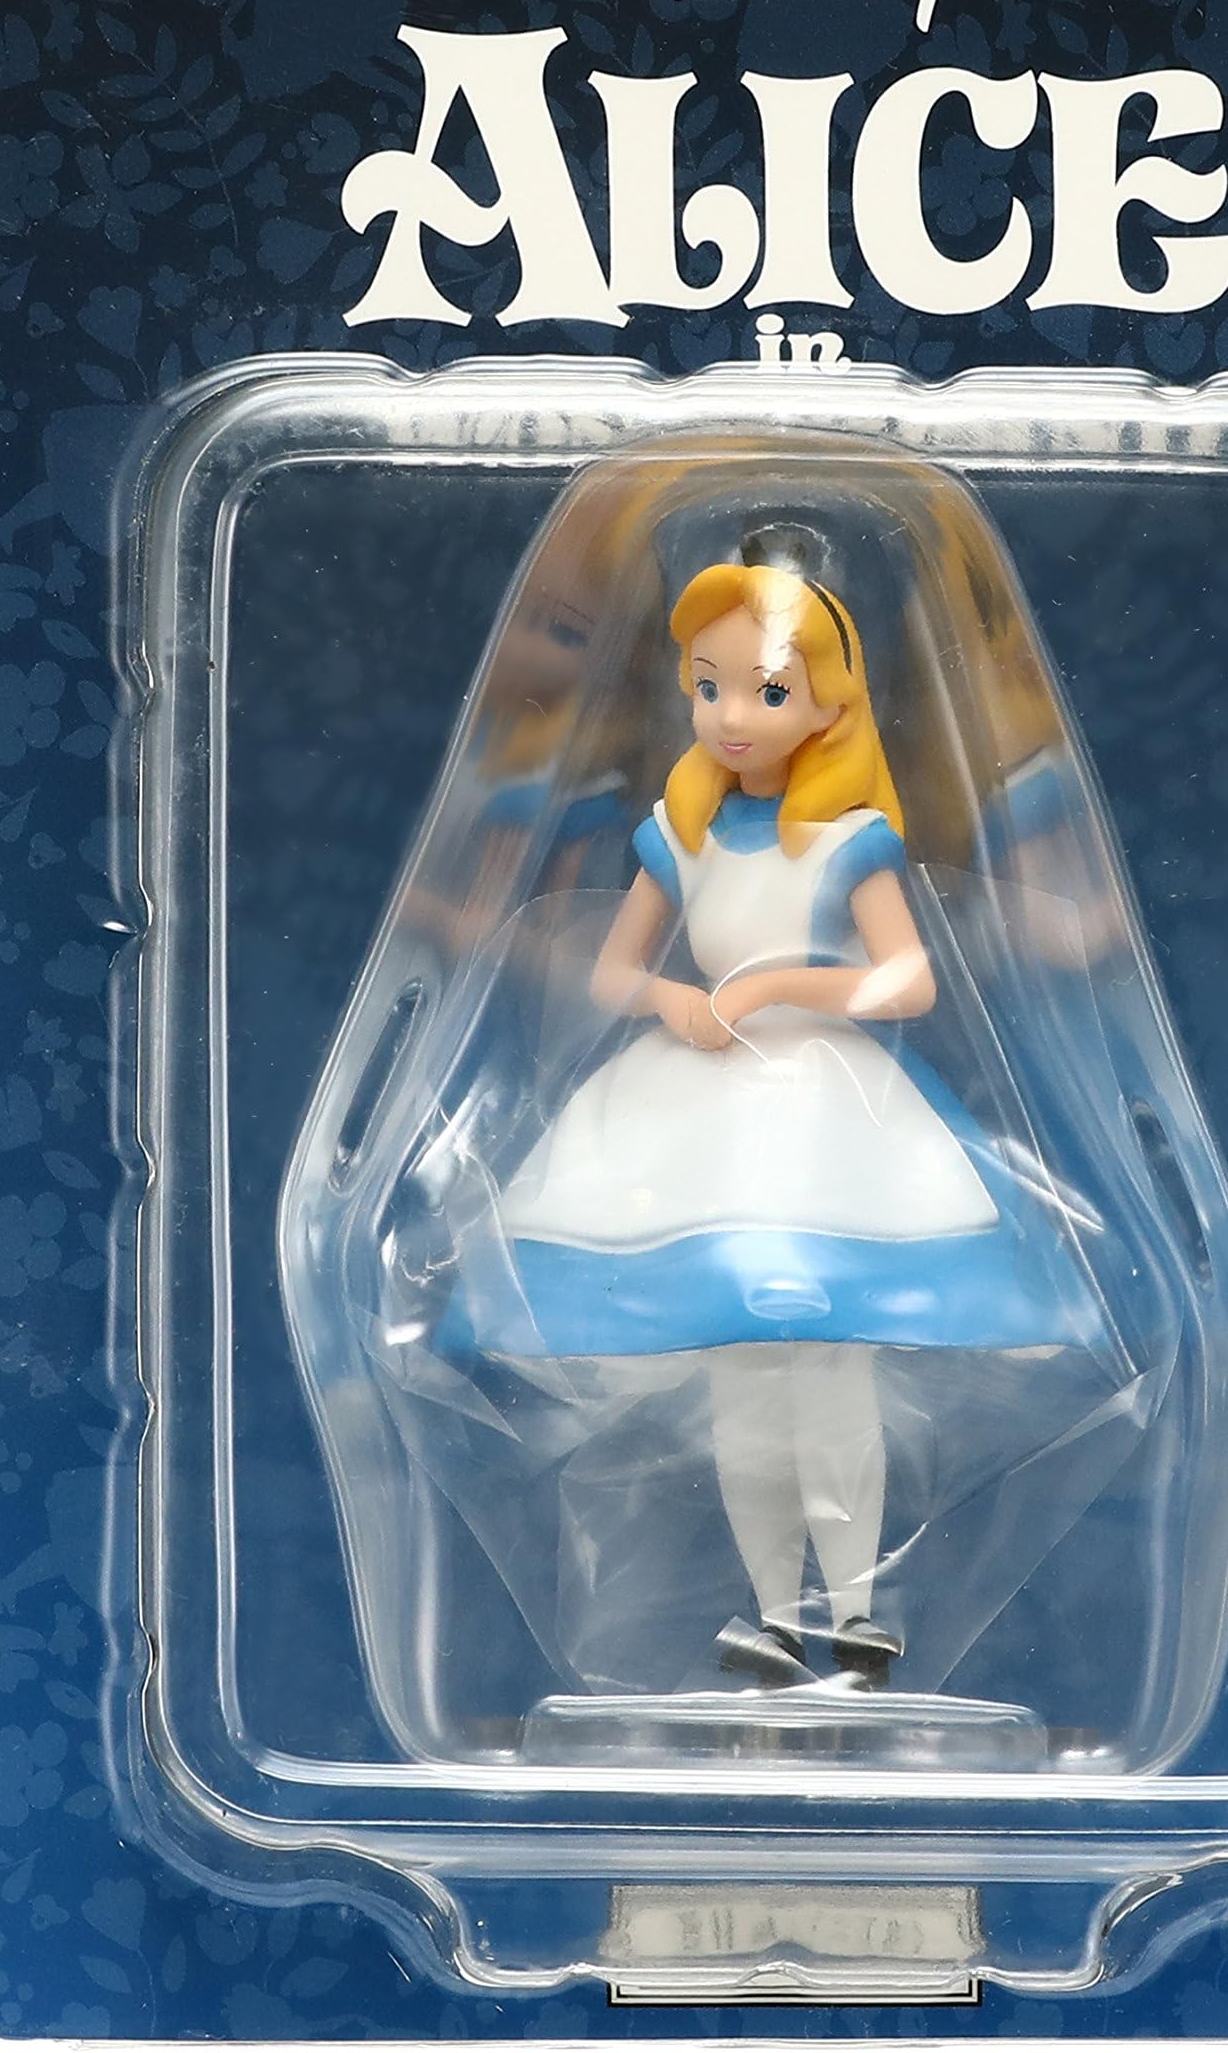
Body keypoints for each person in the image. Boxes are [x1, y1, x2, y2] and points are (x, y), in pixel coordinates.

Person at [446, 532, 1111, 1689]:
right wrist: (675, 1001)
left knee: (835, 1382)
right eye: (707, 688)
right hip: (701, 1102)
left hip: (824, 1113)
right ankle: (770, 1613)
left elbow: (909, 981)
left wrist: (781, 986)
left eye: (763, 691)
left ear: (826, 703)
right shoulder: (682, 833)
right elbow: (613, 971)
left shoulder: (852, 839)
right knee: (745, 1390)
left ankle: (852, 1612)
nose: (730, 716)